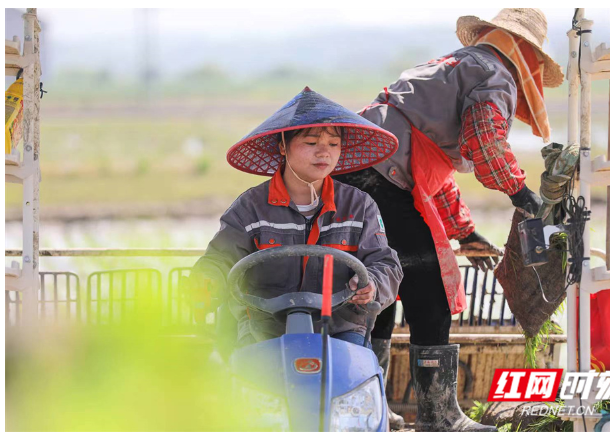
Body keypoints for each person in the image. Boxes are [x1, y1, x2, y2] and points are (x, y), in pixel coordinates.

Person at [334, 8, 564, 432]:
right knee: (431, 290)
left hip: (354, 174)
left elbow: (430, 167)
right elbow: (484, 142)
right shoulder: (494, 74)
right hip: (382, 181)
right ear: (527, 55)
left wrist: (465, 231)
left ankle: (371, 410)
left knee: (377, 289)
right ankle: (438, 417)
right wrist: (522, 194)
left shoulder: (454, 65)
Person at [190, 87, 403, 350]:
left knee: (354, 381)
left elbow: (385, 263)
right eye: (311, 143)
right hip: (264, 328)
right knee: (250, 379)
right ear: (282, 146)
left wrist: (373, 284)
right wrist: (206, 280)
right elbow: (219, 259)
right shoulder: (250, 207)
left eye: (333, 144)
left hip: (340, 329)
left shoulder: (360, 206)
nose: (324, 152)